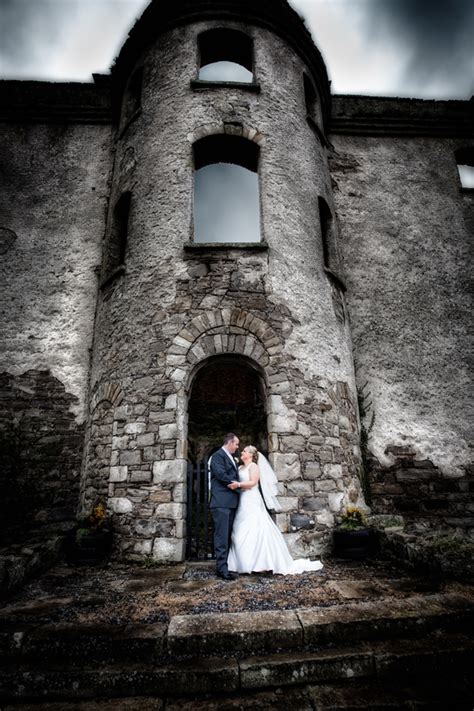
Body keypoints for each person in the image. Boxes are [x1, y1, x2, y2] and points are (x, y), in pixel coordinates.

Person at [227, 446, 324, 575]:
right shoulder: (240, 468)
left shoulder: (253, 467)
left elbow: (253, 483)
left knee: (255, 527)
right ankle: (243, 562)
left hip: (252, 500)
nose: (242, 452)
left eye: (245, 451)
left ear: (250, 455)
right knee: (239, 530)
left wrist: (238, 485)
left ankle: (261, 563)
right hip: (242, 500)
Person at [209, 432, 241, 580]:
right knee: (221, 536)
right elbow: (221, 475)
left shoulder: (230, 457)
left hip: (230, 503)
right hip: (221, 503)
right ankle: (222, 569)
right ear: (229, 442)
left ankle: (225, 565)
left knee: (227, 536)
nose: (237, 447)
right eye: (236, 444)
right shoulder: (217, 456)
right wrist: (239, 486)